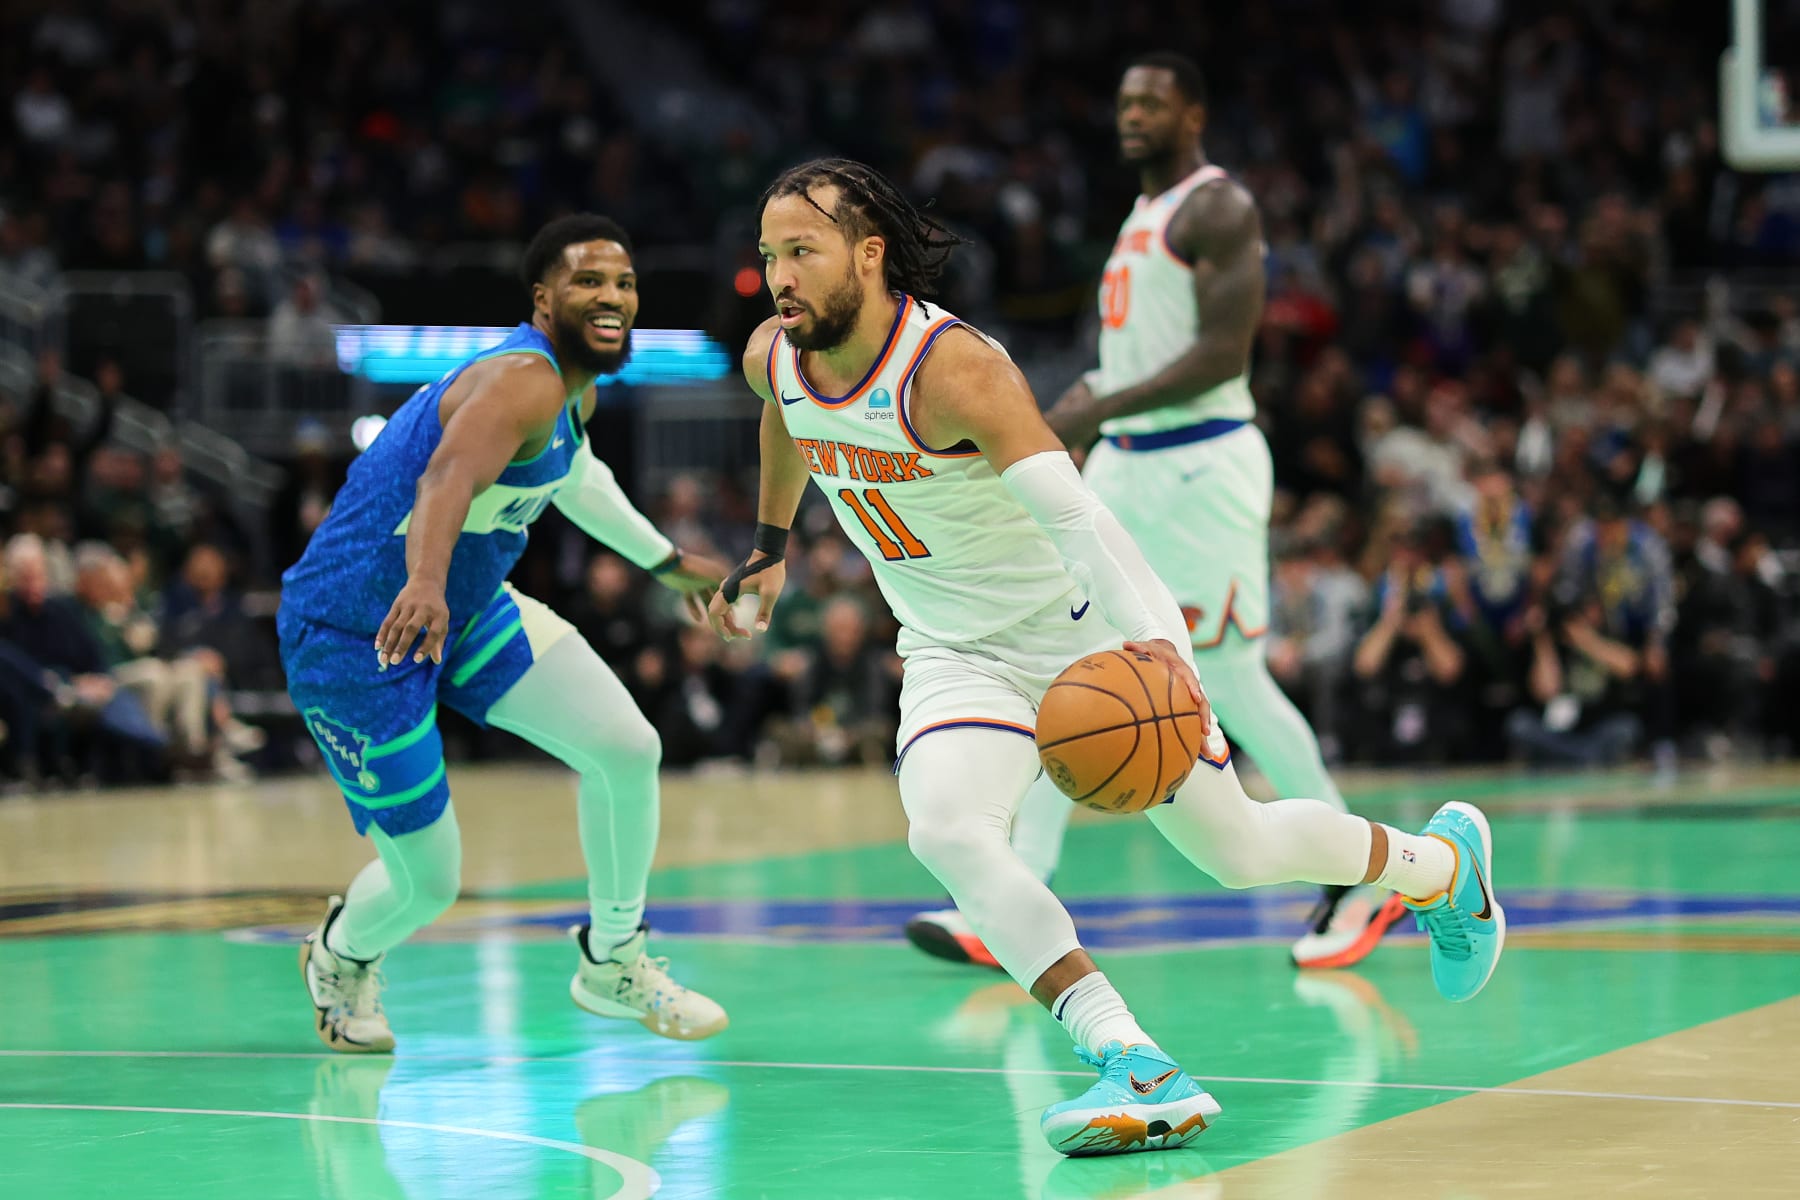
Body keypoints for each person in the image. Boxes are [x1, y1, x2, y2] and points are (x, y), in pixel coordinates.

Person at [712, 157, 1504, 1156]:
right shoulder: (775, 355)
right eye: (769, 254)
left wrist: (1163, 655)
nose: (779, 275)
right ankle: (1133, 1061)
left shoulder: (954, 370)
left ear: (868, 255)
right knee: (948, 831)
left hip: (1077, 641)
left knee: (1240, 851)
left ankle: (1439, 867)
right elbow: (786, 417)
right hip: (956, 653)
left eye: (802, 252)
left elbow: (1085, 524)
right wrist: (770, 545)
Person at [909, 53, 1407, 974]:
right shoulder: (1140, 214)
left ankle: (1364, 873)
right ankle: (1020, 885)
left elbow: (1222, 354)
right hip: (1131, 463)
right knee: (1085, 664)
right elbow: (1139, 350)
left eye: (1153, 101)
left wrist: (1097, 406)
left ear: (1194, 112)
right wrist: (1061, 416)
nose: (1133, 113)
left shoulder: (1219, 207)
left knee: (1231, 675)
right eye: (1125, 99)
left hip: (1202, 462)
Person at [279, 214, 731, 1053]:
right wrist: (421, 580)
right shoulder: (520, 378)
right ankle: (341, 955)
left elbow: (575, 473)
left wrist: (667, 561)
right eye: (589, 282)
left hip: (466, 603)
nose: (612, 297)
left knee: (627, 748)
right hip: (354, 632)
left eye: (624, 282)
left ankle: (613, 956)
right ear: (543, 300)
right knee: (429, 883)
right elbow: (446, 475)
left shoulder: (574, 386)